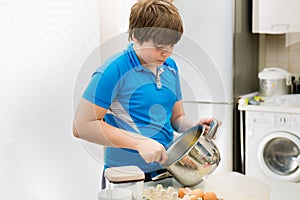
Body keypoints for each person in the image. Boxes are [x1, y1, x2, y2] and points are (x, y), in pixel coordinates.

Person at [73, 0, 216, 187]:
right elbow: (82, 126)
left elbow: (176, 117)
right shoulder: (113, 70)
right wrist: (139, 143)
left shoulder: (170, 67)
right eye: (159, 46)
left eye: (171, 45)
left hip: (166, 173)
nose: (167, 53)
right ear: (135, 36)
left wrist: (194, 127)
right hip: (126, 177)